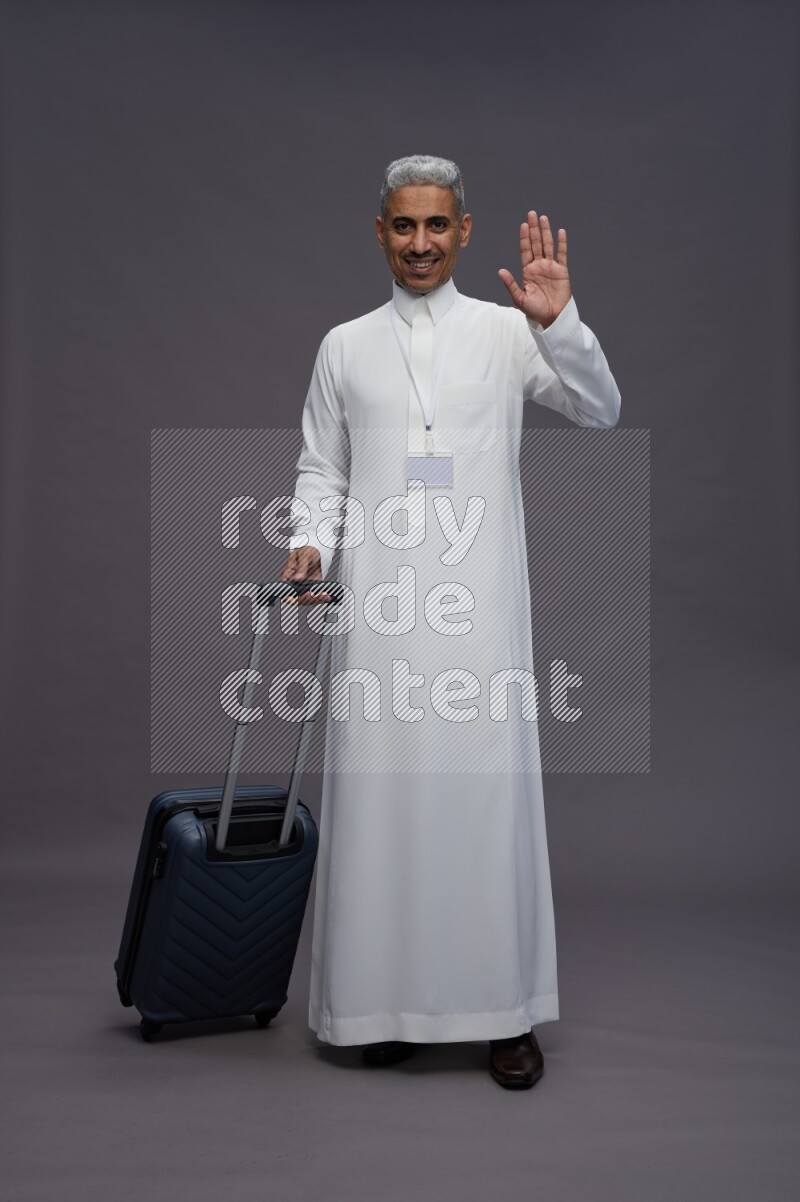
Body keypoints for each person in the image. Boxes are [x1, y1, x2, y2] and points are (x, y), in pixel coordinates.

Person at [279, 155, 620, 1089]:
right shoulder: (344, 345)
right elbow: (322, 469)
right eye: (403, 227)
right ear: (380, 233)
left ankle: (503, 1014)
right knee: (384, 813)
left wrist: (562, 324)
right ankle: (382, 1005)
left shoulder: (510, 334)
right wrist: (311, 540)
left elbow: (599, 410)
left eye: (437, 226)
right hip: (381, 617)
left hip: (481, 619)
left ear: (463, 232)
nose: (420, 243)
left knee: (482, 810)